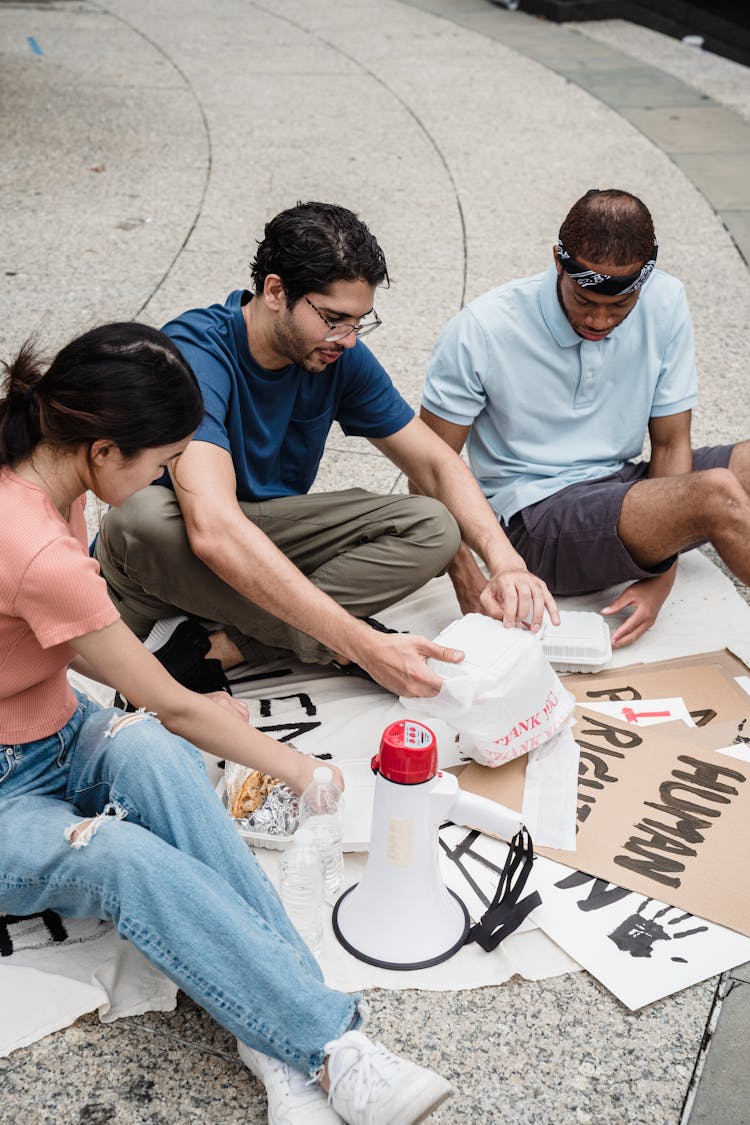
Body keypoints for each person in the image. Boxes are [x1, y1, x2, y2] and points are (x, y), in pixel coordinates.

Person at [0, 322, 454, 1124]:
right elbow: (167, 697)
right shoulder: (38, 545)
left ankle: (275, 1046)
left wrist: (172, 708)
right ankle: (329, 1047)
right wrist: (298, 767)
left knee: (150, 751)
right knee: (125, 855)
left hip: (57, 732)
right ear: (104, 451)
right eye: (161, 459)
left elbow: (95, 664)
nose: (165, 474)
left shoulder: (48, 476)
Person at [92, 202, 558, 700]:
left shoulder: (336, 354)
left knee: (433, 527)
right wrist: (361, 644)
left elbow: (436, 463)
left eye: (360, 321)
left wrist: (505, 562)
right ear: (275, 292)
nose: (349, 339)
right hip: (169, 563)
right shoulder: (198, 351)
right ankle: (329, 639)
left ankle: (219, 649)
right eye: (334, 319)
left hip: (258, 541)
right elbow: (212, 531)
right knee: (141, 517)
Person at [420, 187, 750, 649]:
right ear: (559, 260)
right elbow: (426, 469)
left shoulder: (666, 299)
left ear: (644, 280)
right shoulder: (482, 329)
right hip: (535, 517)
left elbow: (672, 443)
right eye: (584, 301)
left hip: (623, 486)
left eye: (619, 306)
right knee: (717, 495)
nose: (599, 320)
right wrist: (469, 575)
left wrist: (661, 576)